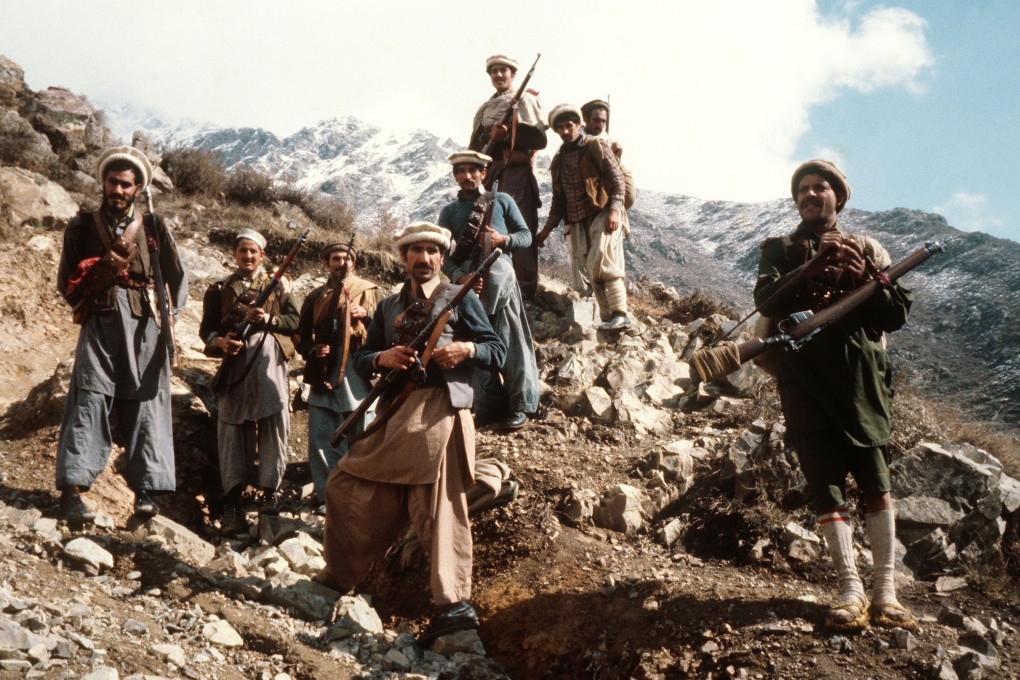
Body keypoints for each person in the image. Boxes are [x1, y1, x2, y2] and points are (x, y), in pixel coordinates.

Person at [316, 222, 505, 647]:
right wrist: (382, 356)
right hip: (395, 412)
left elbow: (498, 349)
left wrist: (466, 349)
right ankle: (339, 576)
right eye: (415, 251)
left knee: (436, 504)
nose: (423, 258)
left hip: (442, 410)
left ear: (442, 257)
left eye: (431, 251)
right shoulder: (388, 306)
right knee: (347, 483)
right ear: (404, 258)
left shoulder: (460, 299)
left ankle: (454, 606)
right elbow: (363, 358)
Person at [754, 159, 916, 632]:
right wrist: (812, 268)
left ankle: (886, 593)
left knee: (875, 484)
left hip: (862, 378)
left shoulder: (868, 249)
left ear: (838, 198)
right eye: (802, 189)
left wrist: (862, 272)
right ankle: (850, 591)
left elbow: (894, 316)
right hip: (802, 381)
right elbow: (766, 303)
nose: (810, 194)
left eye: (820, 187)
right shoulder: (778, 250)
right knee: (825, 486)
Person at [56, 146, 187, 525]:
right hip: (100, 323)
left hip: (146, 324)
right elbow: (67, 282)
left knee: (146, 402)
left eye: (125, 184)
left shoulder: (153, 227)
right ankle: (73, 491)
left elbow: (177, 279)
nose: (117, 189)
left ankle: (145, 492)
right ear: (104, 183)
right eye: (112, 182)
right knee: (88, 397)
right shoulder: (81, 226)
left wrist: (171, 316)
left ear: (137, 188)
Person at [200, 229, 300, 535]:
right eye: (242, 251)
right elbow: (206, 330)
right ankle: (233, 504)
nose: (248, 256)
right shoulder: (219, 289)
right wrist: (221, 343)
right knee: (231, 429)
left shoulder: (279, 286)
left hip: (269, 363)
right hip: (235, 365)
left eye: (253, 252)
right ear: (234, 254)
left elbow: (295, 321)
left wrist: (267, 321)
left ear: (262, 255)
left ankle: (270, 497)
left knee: (274, 425)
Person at [438, 150, 539, 430]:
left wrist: (502, 240)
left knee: (511, 341)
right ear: (455, 175)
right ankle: (490, 406)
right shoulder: (449, 212)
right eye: (460, 171)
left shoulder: (502, 201)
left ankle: (521, 405)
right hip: (469, 287)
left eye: (473, 170)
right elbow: (441, 252)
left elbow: (525, 236)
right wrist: (459, 276)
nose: (466, 176)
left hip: (500, 280)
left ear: (484, 173)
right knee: (476, 342)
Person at [296, 241, 379, 505]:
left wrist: (365, 315)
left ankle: (362, 499)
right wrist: (312, 351)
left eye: (346, 258)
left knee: (361, 434)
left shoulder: (367, 291)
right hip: (324, 372)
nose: (341, 263)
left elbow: (384, 329)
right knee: (321, 437)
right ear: (326, 263)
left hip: (356, 370)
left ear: (353, 262)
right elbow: (301, 336)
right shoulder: (315, 296)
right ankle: (329, 498)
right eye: (335, 258)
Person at [536, 104, 630, 330]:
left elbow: (617, 181)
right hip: (577, 220)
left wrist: (615, 210)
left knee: (601, 260)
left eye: (570, 125)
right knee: (589, 268)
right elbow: (559, 201)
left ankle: (621, 313)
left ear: (578, 125)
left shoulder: (595, 146)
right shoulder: (558, 160)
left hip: (604, 212)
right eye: (560, 127)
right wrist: (545, 231)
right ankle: (609, 321)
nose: (566, 131)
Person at [469, 54, 547, 300]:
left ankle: (525, 291)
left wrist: (509, 135)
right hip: (489, 174)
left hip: (515, 172)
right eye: (494, 71)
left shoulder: (525, 99)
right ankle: (492, 286)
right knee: (489, 228)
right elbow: (475, 146)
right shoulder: (484, 109)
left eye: (504, 70)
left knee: (519, 226)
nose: (499, 75)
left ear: (513, 75)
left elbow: (537, 140)